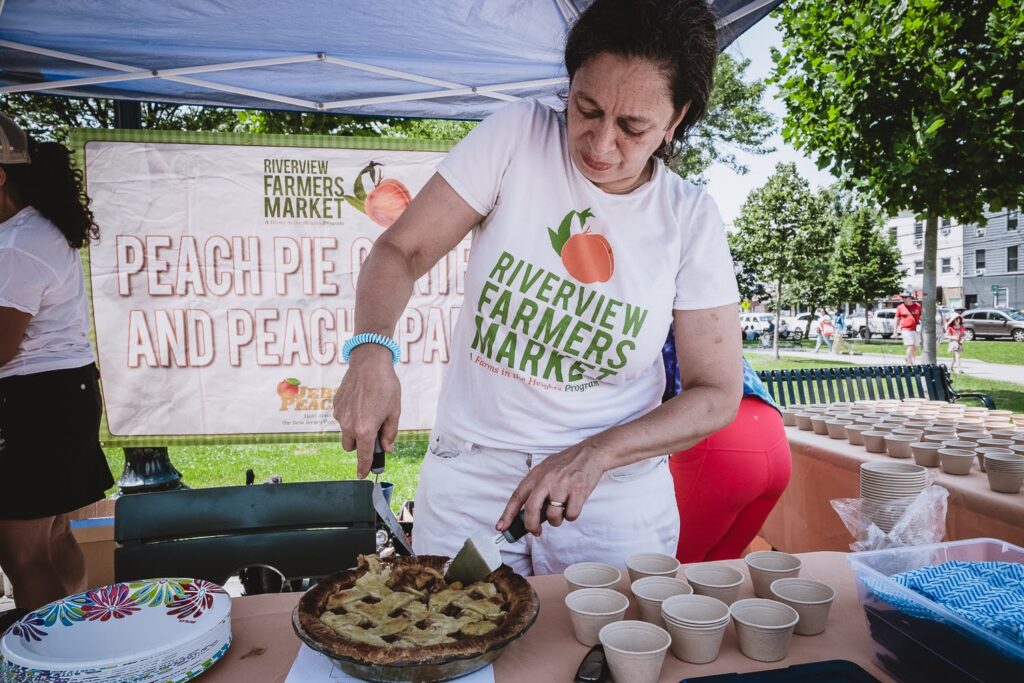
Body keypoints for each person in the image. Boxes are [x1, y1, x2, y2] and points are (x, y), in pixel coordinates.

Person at [333, 0, 743, 575]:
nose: (600, 145)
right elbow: (401, 249)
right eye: (586, 108)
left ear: (676, 119)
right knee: (450, 645)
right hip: (472, 478)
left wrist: (596, 454)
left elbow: (716, 392)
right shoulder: (517, 137)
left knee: (606, 653)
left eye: (632, 127)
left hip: (612, 495)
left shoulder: (690, 218)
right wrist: (371, 350)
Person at [0, 113, 114, 625]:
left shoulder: (16, 245)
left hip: (31, 403)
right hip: (61, 395)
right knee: (54, 537)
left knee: (23, 558)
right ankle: (79, 643)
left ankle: (55, 664)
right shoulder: (33, 231)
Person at [661, 333, 791, 562]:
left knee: (673, 569)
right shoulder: (708, 317)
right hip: (772, 433)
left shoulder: (651, 325)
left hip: (718, 442)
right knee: (724, 569)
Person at [895, 291, 922, 365]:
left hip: (916, 329)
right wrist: (895, 330)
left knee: (915, 346)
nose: (903, 299)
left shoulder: (917, 306)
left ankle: (909, 358)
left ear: (910, 297)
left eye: (905, 297)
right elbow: (897, 319)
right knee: (910, 345)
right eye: (902, 297)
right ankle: (909, 363)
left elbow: (921, 316)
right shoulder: (900, 307)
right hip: (906, 329)